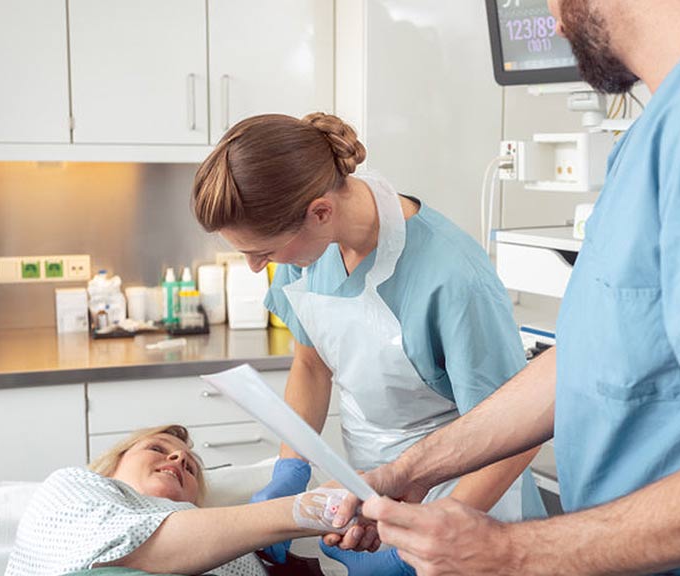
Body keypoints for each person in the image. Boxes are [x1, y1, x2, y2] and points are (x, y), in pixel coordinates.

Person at [329, 0, 680, 574]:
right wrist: (414, 469)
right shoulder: (674, 118)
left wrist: (506, 553)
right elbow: (589, 359)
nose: (552, 22)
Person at [191, 112, 546, 574]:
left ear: (320, 211)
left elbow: (517, 434)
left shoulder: (454, 279)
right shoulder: (312, 248)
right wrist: (290, 468)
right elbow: (312, 364)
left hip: (467, 498)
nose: (258, 268)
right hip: (373, 491)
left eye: (264, 251)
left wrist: (429, 540)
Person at [4, 424, 350, 576]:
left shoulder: (232, 547)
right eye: (157, 449)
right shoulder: (70, 486)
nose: (179, 460)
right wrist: (316, 507)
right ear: (114, 464)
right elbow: (135, 549)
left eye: (191, 468)